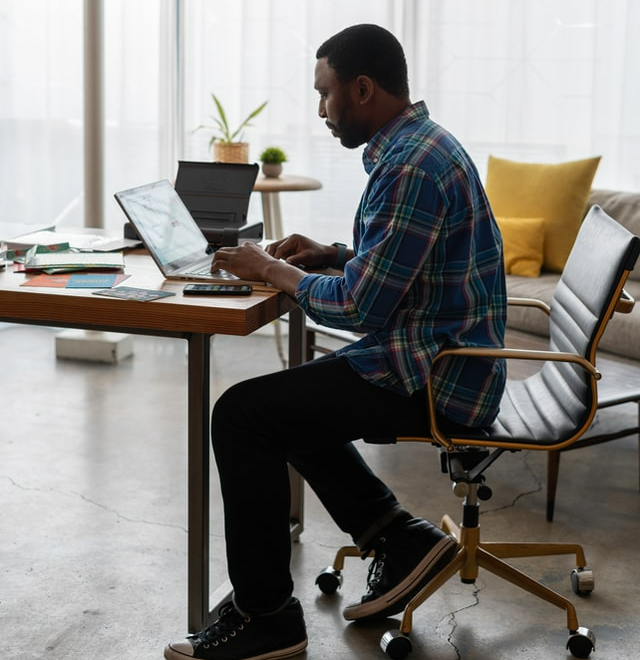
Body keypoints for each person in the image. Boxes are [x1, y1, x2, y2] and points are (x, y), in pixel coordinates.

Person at [164, 23, 506, 660]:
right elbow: (401, 271)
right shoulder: (418, 147)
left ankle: (266, 619)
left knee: (243, 415)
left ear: (364, 88)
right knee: (286, 406)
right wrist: (331, 255)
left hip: (440, 376)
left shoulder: (409, 167)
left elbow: (361, 307)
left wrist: (273, 270)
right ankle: (396, 536)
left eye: (325, 94)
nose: (321, 110)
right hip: (438, 354)